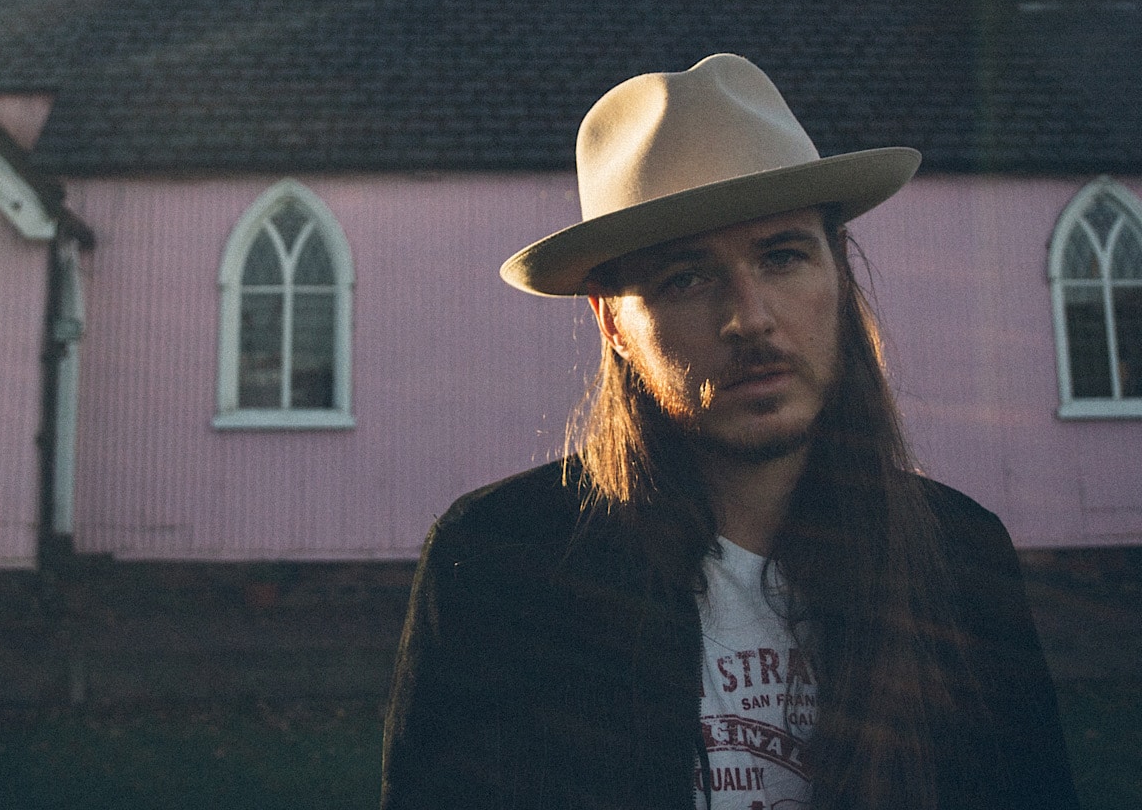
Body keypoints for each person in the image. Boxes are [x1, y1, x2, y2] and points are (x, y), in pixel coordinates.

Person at [381, 54, 1078, 810]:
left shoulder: (958, 556)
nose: (749, 316)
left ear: (838, 276)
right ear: (612, 321)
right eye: (685, 277)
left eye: (781, 257)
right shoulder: (502, 560)